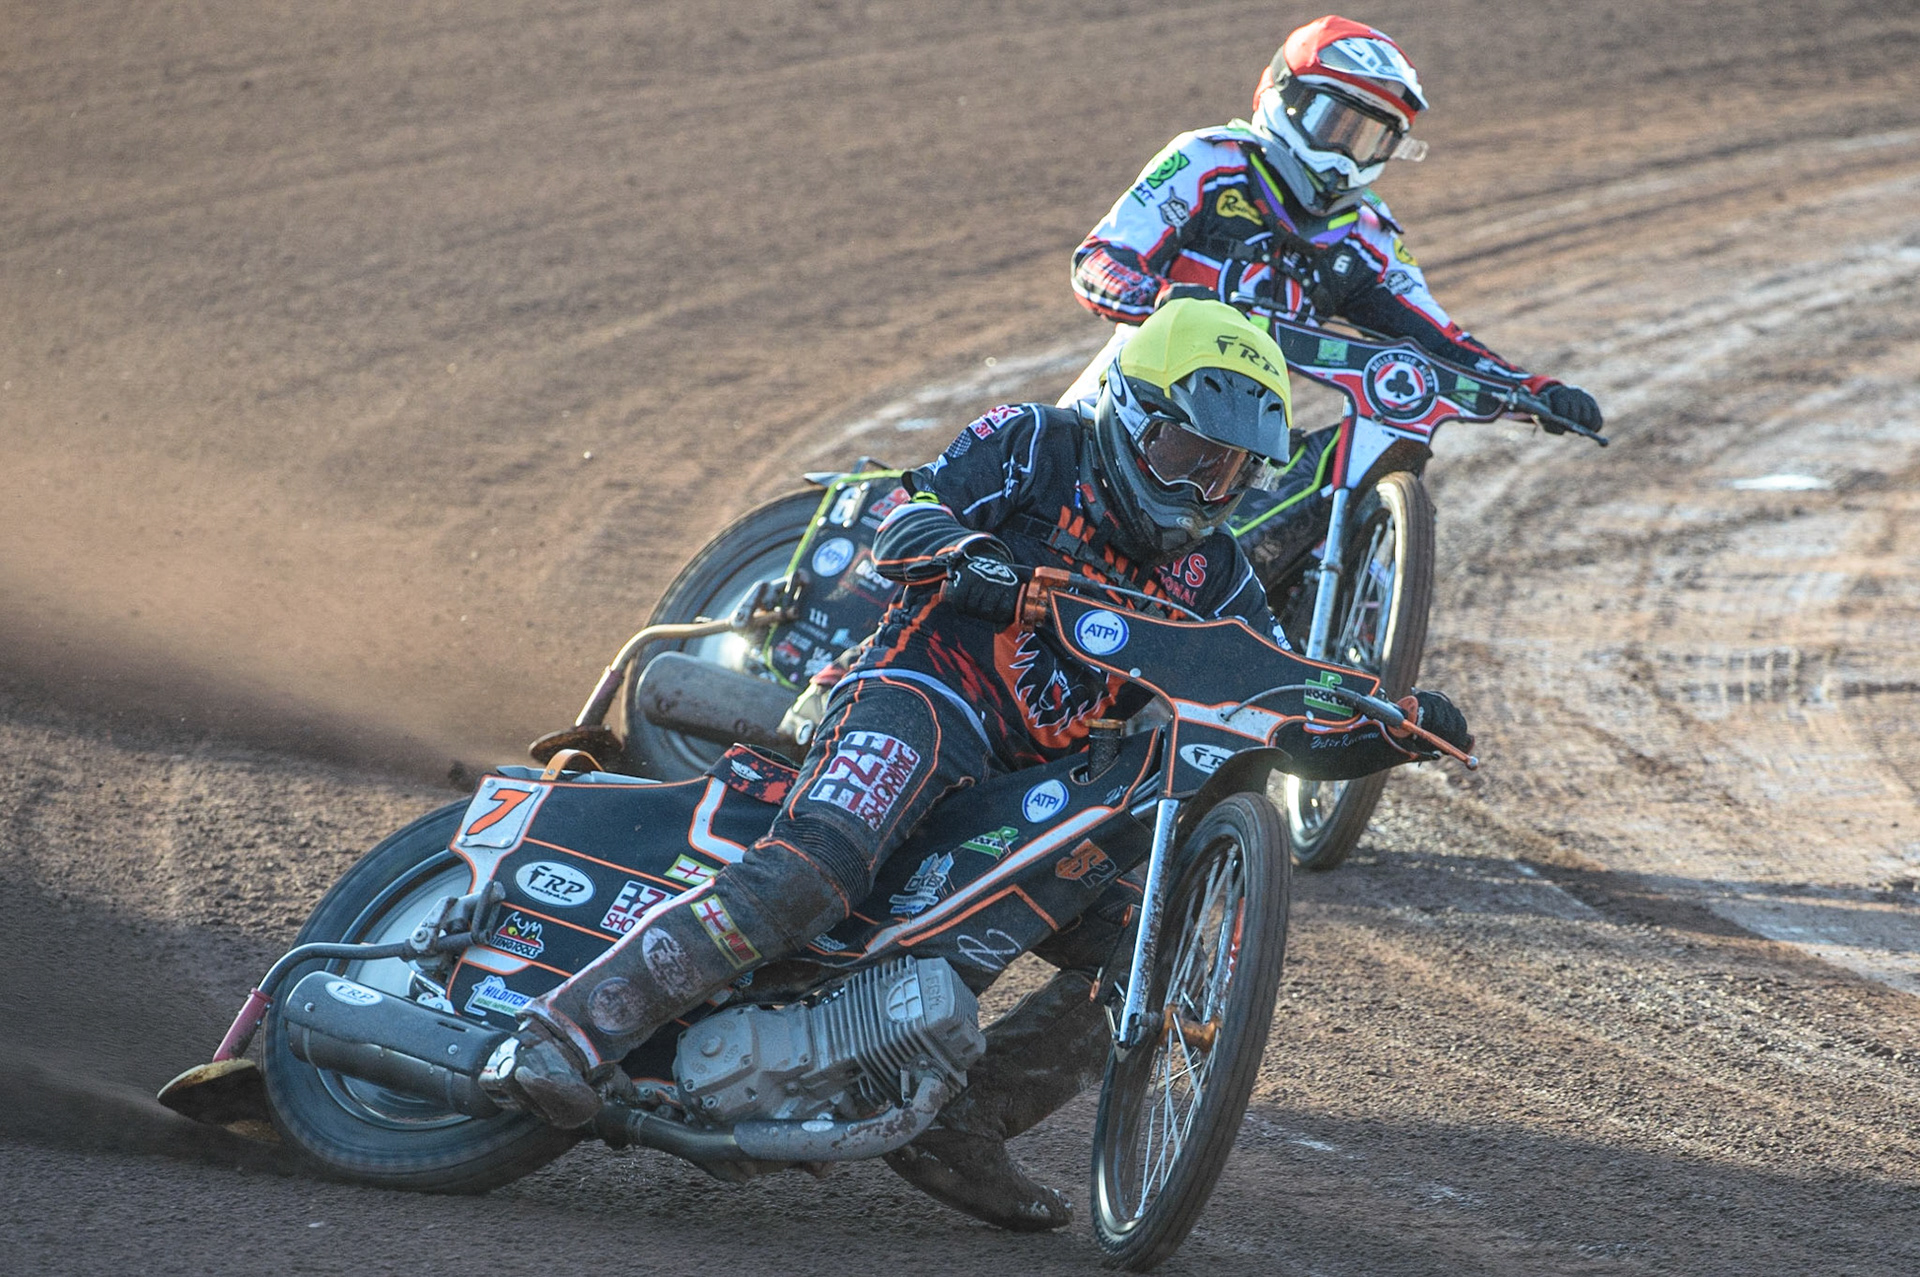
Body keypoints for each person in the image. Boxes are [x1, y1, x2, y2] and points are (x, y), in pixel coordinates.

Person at [487, 301, 1473, 1229]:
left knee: (1152, 946)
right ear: (1133, 411)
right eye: (1184, 454)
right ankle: (571, 1026)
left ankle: (965, 1123)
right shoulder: (1037, 442)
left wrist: (1383, 728)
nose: (1199, 493)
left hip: (1029, 780)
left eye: (1226, 476)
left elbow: (1274, 702)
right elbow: (901, 519)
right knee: (815, 871)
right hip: (920, 692)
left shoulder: (1214, 572)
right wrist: (974, 560)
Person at [1067, 14, 1604, 574]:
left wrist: (1536, 392)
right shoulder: (1210, 160)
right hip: (1132, 405)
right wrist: (1164, 301)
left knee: (1359, 447)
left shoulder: (1367, 234)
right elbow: (1100, 259)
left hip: (1246, 436)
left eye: (1370, 139)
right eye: (1335, 124)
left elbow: (1437, 336)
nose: (1346, 156)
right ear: (1283, 97)